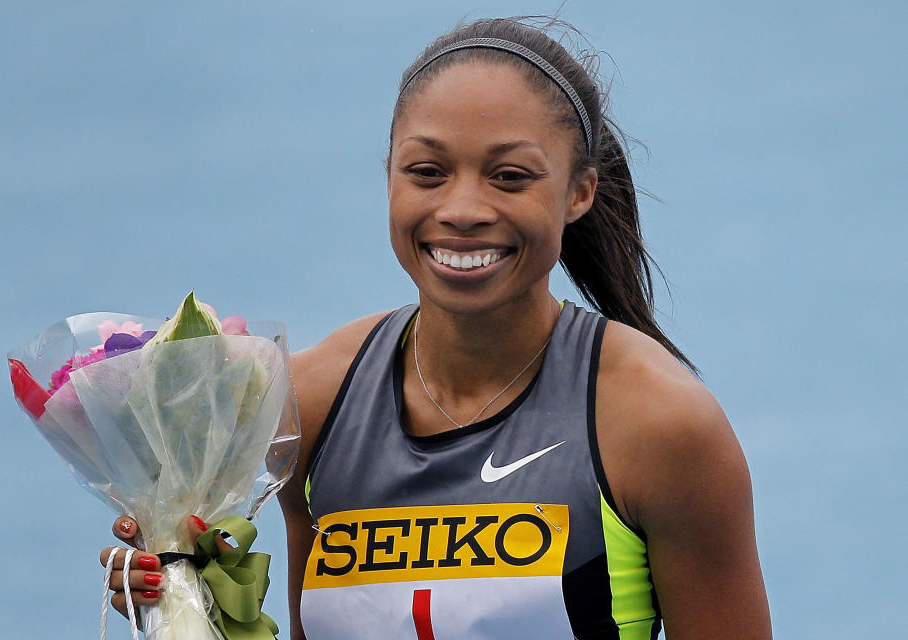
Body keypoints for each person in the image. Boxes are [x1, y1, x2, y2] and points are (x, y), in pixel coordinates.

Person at [101, 17, 772, 639]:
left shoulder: (655, 424)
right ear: (388, 176)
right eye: (427, 172)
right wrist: (183, 596)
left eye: (510, 176)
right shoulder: (310, 400)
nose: (462, 209)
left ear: (579, 192)